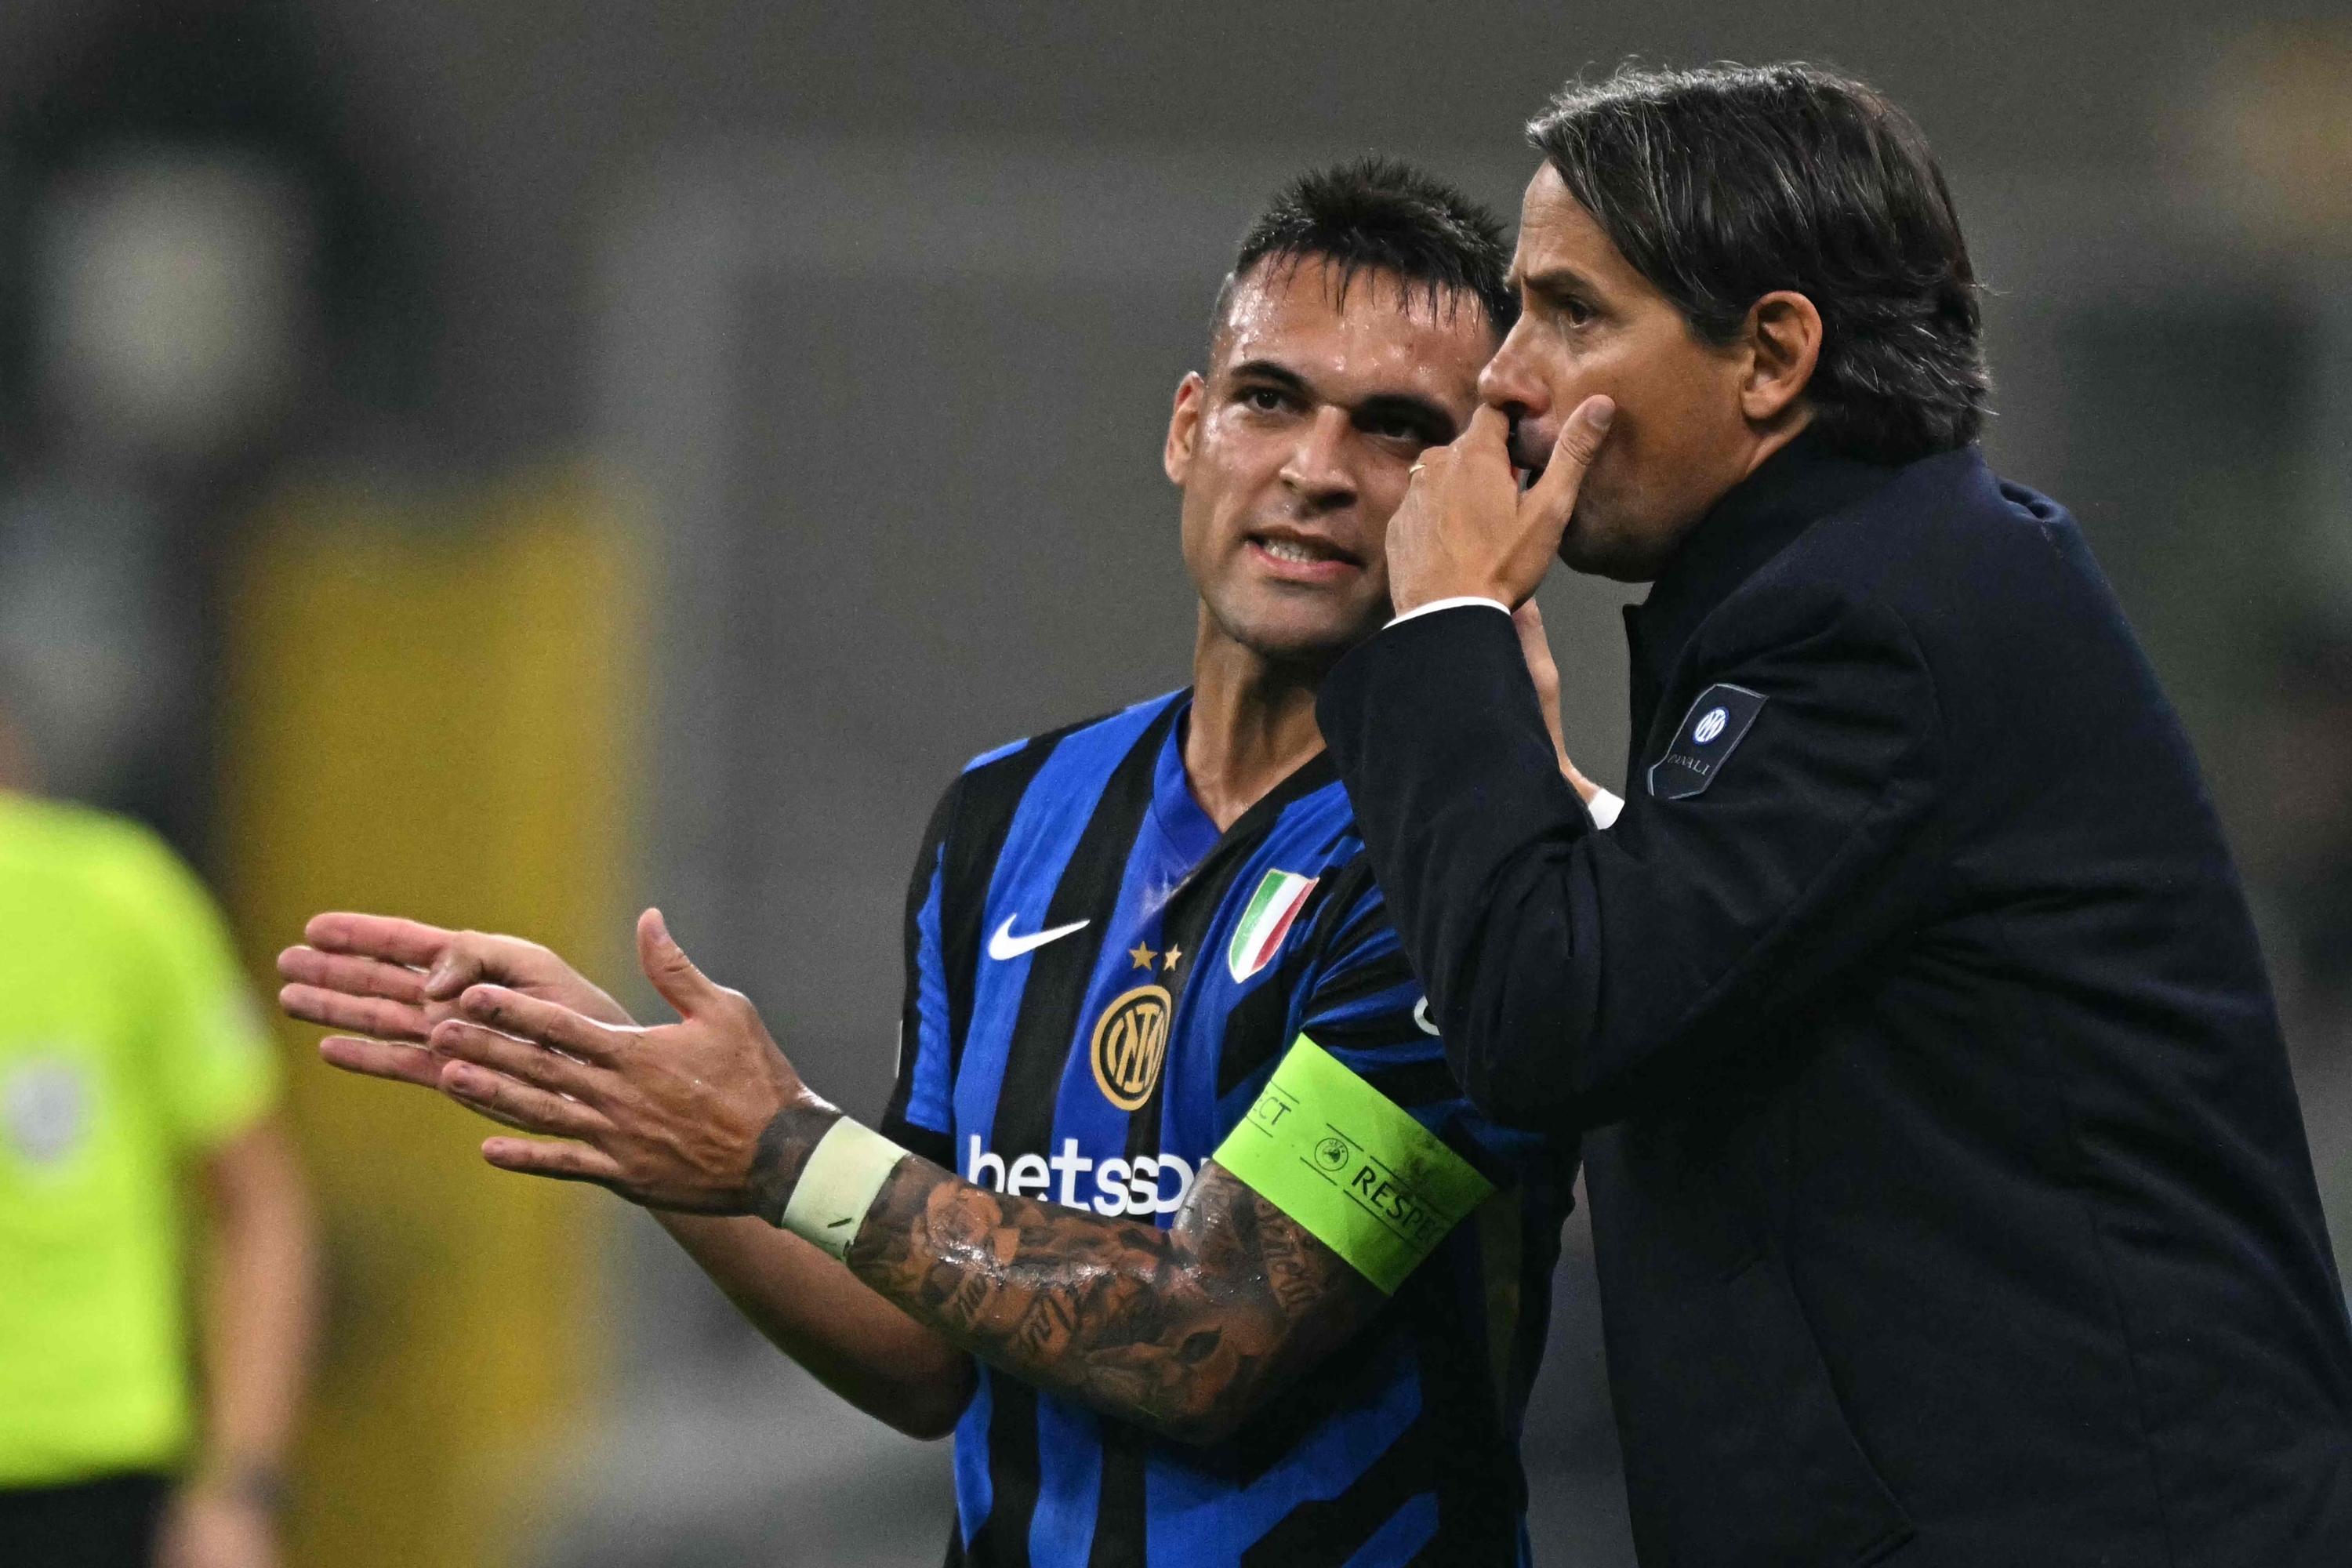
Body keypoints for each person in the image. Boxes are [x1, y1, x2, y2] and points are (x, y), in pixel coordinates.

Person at [278, 161, 1588, 1567]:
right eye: (1271, 399)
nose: (1318, 471)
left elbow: (1208, 1337)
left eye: (1397, 430)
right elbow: (926, 1346)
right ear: (1188, 427)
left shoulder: (1470, 859)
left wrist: (779, 1144)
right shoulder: (1007, 816)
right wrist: (645, 1116)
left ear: (1484, 491)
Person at [1314, 62, 2352, 1566]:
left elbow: (1548, 1019)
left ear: (1773, 355)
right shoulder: (1874, 580)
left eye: (1573, 313)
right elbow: (1697, 951)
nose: (1505, 378)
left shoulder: (1873, 620)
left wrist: (1453, 622)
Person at [0, 702, 320, 1568]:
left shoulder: (116, 902)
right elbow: (261, 1205)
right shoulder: (126, 891)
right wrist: (241, 1492)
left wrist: (236, 1492)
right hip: (95, 1483)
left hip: (88, 1479)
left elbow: (259, 1207)